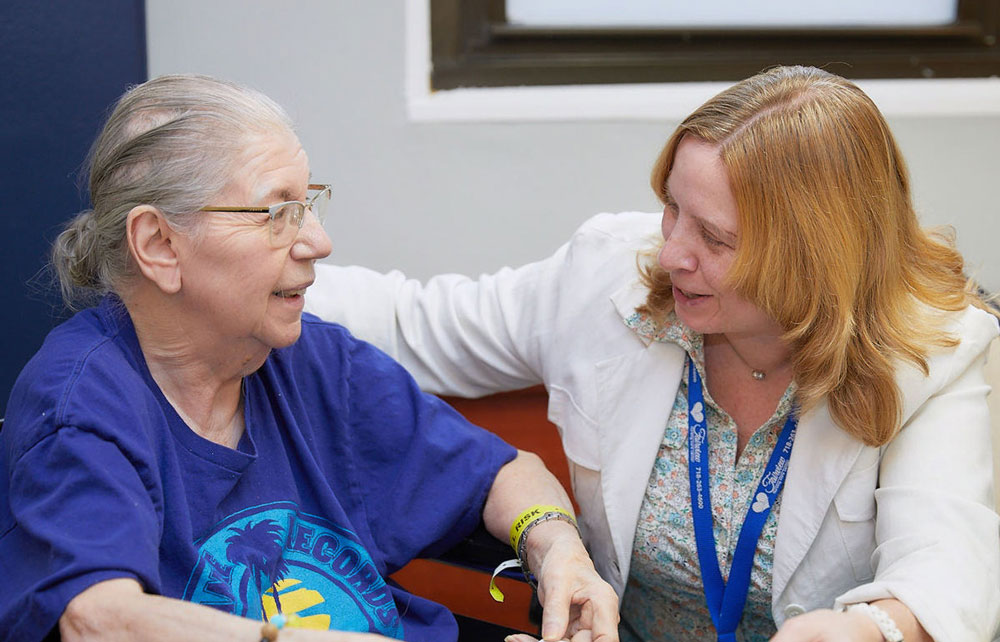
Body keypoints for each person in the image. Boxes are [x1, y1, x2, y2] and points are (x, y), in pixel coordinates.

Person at [304, 66, 1000, 641]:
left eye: (715, 238)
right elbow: (409, 321)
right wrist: (253, 267)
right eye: (672, 209)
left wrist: (874, 629)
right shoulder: (607, 275)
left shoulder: (937, 351)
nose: (670, 255)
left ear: (813, 260)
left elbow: (944, 568)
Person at [0, 74, 620, 642]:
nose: (319, 242)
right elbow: (101, 619)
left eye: (310, 204)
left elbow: (506, 472)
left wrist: (557, 548)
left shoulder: (310, 360)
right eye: (278, 212)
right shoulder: (82, 403)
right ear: (160, 244)